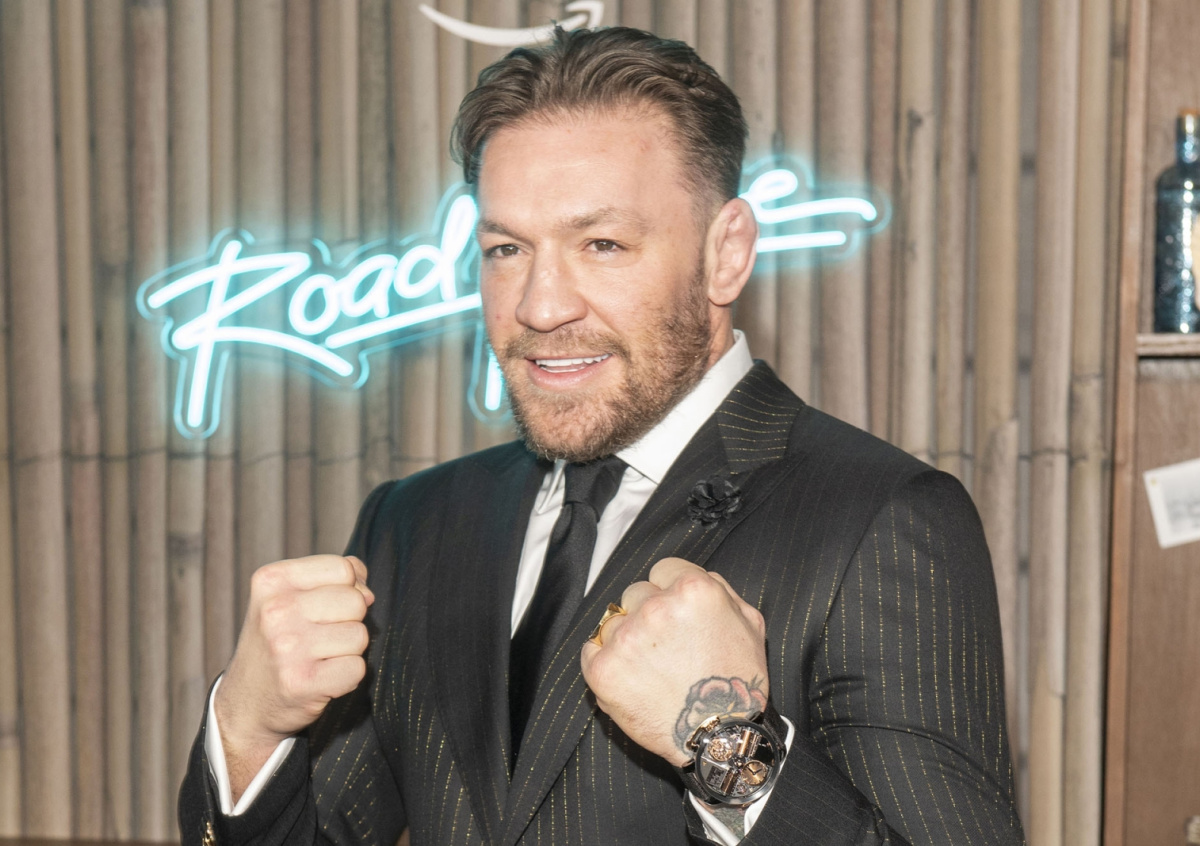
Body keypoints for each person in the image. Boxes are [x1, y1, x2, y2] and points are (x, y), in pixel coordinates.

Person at [179, 25, 1024, 846]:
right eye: (506, 249)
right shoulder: (415, 524)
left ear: (726, 254)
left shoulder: (881, 517)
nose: (541, 305)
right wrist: (247, 727)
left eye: (603, 243)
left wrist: (727, 747)